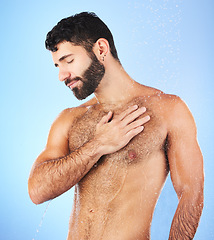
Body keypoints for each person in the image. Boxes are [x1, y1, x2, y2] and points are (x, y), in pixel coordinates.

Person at [28, 12, 204, 240]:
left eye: (69, 61)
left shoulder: (168, 109)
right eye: (57, 66)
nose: (62, 75)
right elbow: (37, 191)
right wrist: (98, 144)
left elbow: (192, 194)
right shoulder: (69, 119)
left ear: (101, 49)